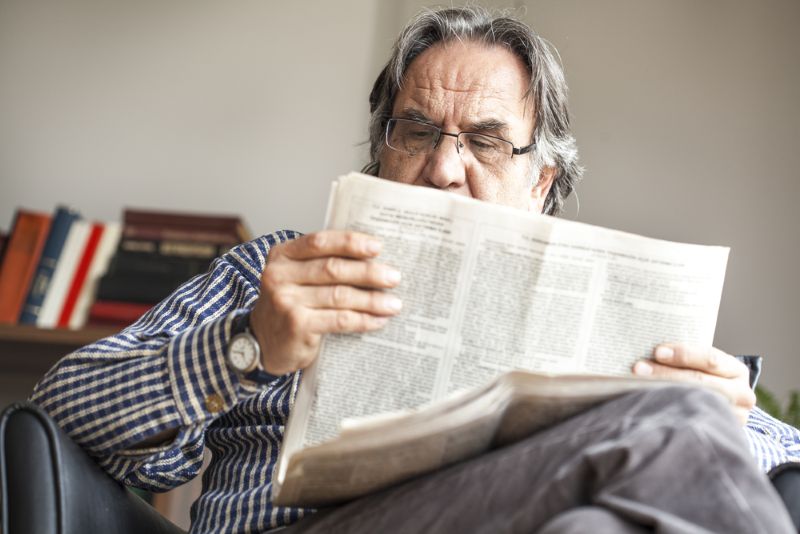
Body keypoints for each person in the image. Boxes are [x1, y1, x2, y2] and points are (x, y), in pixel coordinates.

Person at [31, 6, 799, 533]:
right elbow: (60, 411)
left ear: (543, 182)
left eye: (488, 140)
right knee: (679, 432)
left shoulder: (599, 295)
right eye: (418, 130)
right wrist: (247, 347)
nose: (444, 167)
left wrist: (736, 423)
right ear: (381, 151)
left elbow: (784, 458)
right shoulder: (276, 272)